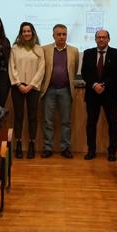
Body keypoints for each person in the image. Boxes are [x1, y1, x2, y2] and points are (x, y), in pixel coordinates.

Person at [81, 29, 117, 161]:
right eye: (99, 37)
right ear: (95, 39)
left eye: (104, 37)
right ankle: (91, 150)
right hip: (92, 94)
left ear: (108, 39)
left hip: (109, 94)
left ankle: (112, 151)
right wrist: (94, 85)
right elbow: (84, 73)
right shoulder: (88, 53)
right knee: (91, 123)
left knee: (113, 123)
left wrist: (103, 85)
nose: (101, 39)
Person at [40, 24, 80, 159]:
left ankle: (65, 148)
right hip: (49, 90)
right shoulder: (44, 49)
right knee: (48, 121)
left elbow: (74, 70)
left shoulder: (74, 51)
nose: (62, 37)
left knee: (66, 121)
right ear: (53, 35)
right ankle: (47, 148)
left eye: (64, 34)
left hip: (65, 90)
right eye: (59, 34)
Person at [9, 22, 45, 159]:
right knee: (18, 116)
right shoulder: (15, 48)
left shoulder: (38, 49)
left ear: (33, 32)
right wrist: (19, 84)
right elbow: (11, 67)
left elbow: (42, 68)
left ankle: (31, 144)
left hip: (33, 87)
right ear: (21, 33)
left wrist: (31, 85)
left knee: (32, 117)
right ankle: (18, 144)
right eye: (24, 31)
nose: (26, 33)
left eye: (29, 31)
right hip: (18, 87)